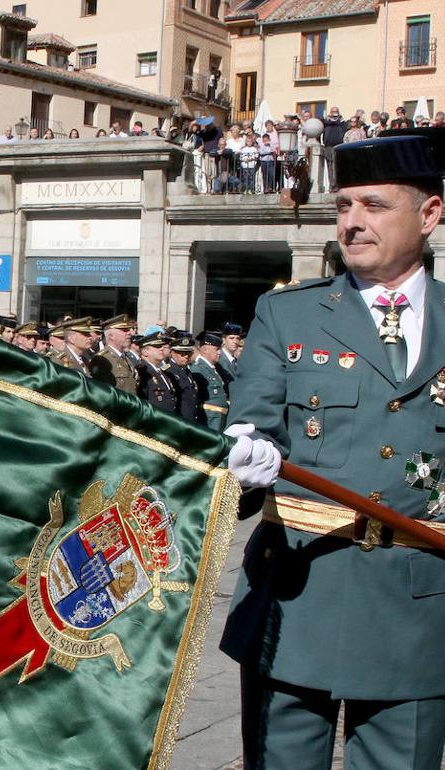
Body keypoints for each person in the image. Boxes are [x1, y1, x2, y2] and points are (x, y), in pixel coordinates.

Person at [221, 129, 445, 769]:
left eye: (374, 206)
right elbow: (253, 419)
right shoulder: (287, 315)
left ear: (429, 213)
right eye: (344, 206)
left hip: (420, 606)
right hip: (299, 593)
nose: (352, 223)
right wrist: (245, 455)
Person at [191, 331, 231, 431]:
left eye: (220, 349)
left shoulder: (215, 368)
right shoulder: (198, 369)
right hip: (210, 418)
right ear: (205, 350)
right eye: (216, 349)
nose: (219, 352)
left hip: (219, 417)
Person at [88, 314, 138, 394]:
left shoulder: (126, 357)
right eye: (124, 330)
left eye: (128, 330)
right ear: (111, 336)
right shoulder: (101, 359)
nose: (129, 333)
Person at [164, 334, 206, 424]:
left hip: (191, 420)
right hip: (179, 421)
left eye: (188, 353)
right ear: (172, 352)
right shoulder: (168, 371)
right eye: (182, 353)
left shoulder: (186, 371)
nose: (186, 356)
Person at [135, 332, 177, 413]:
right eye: (157, 346)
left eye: (162, 346)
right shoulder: (142, 372)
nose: (161, 348)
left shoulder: (161, 371)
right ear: (145, 352)